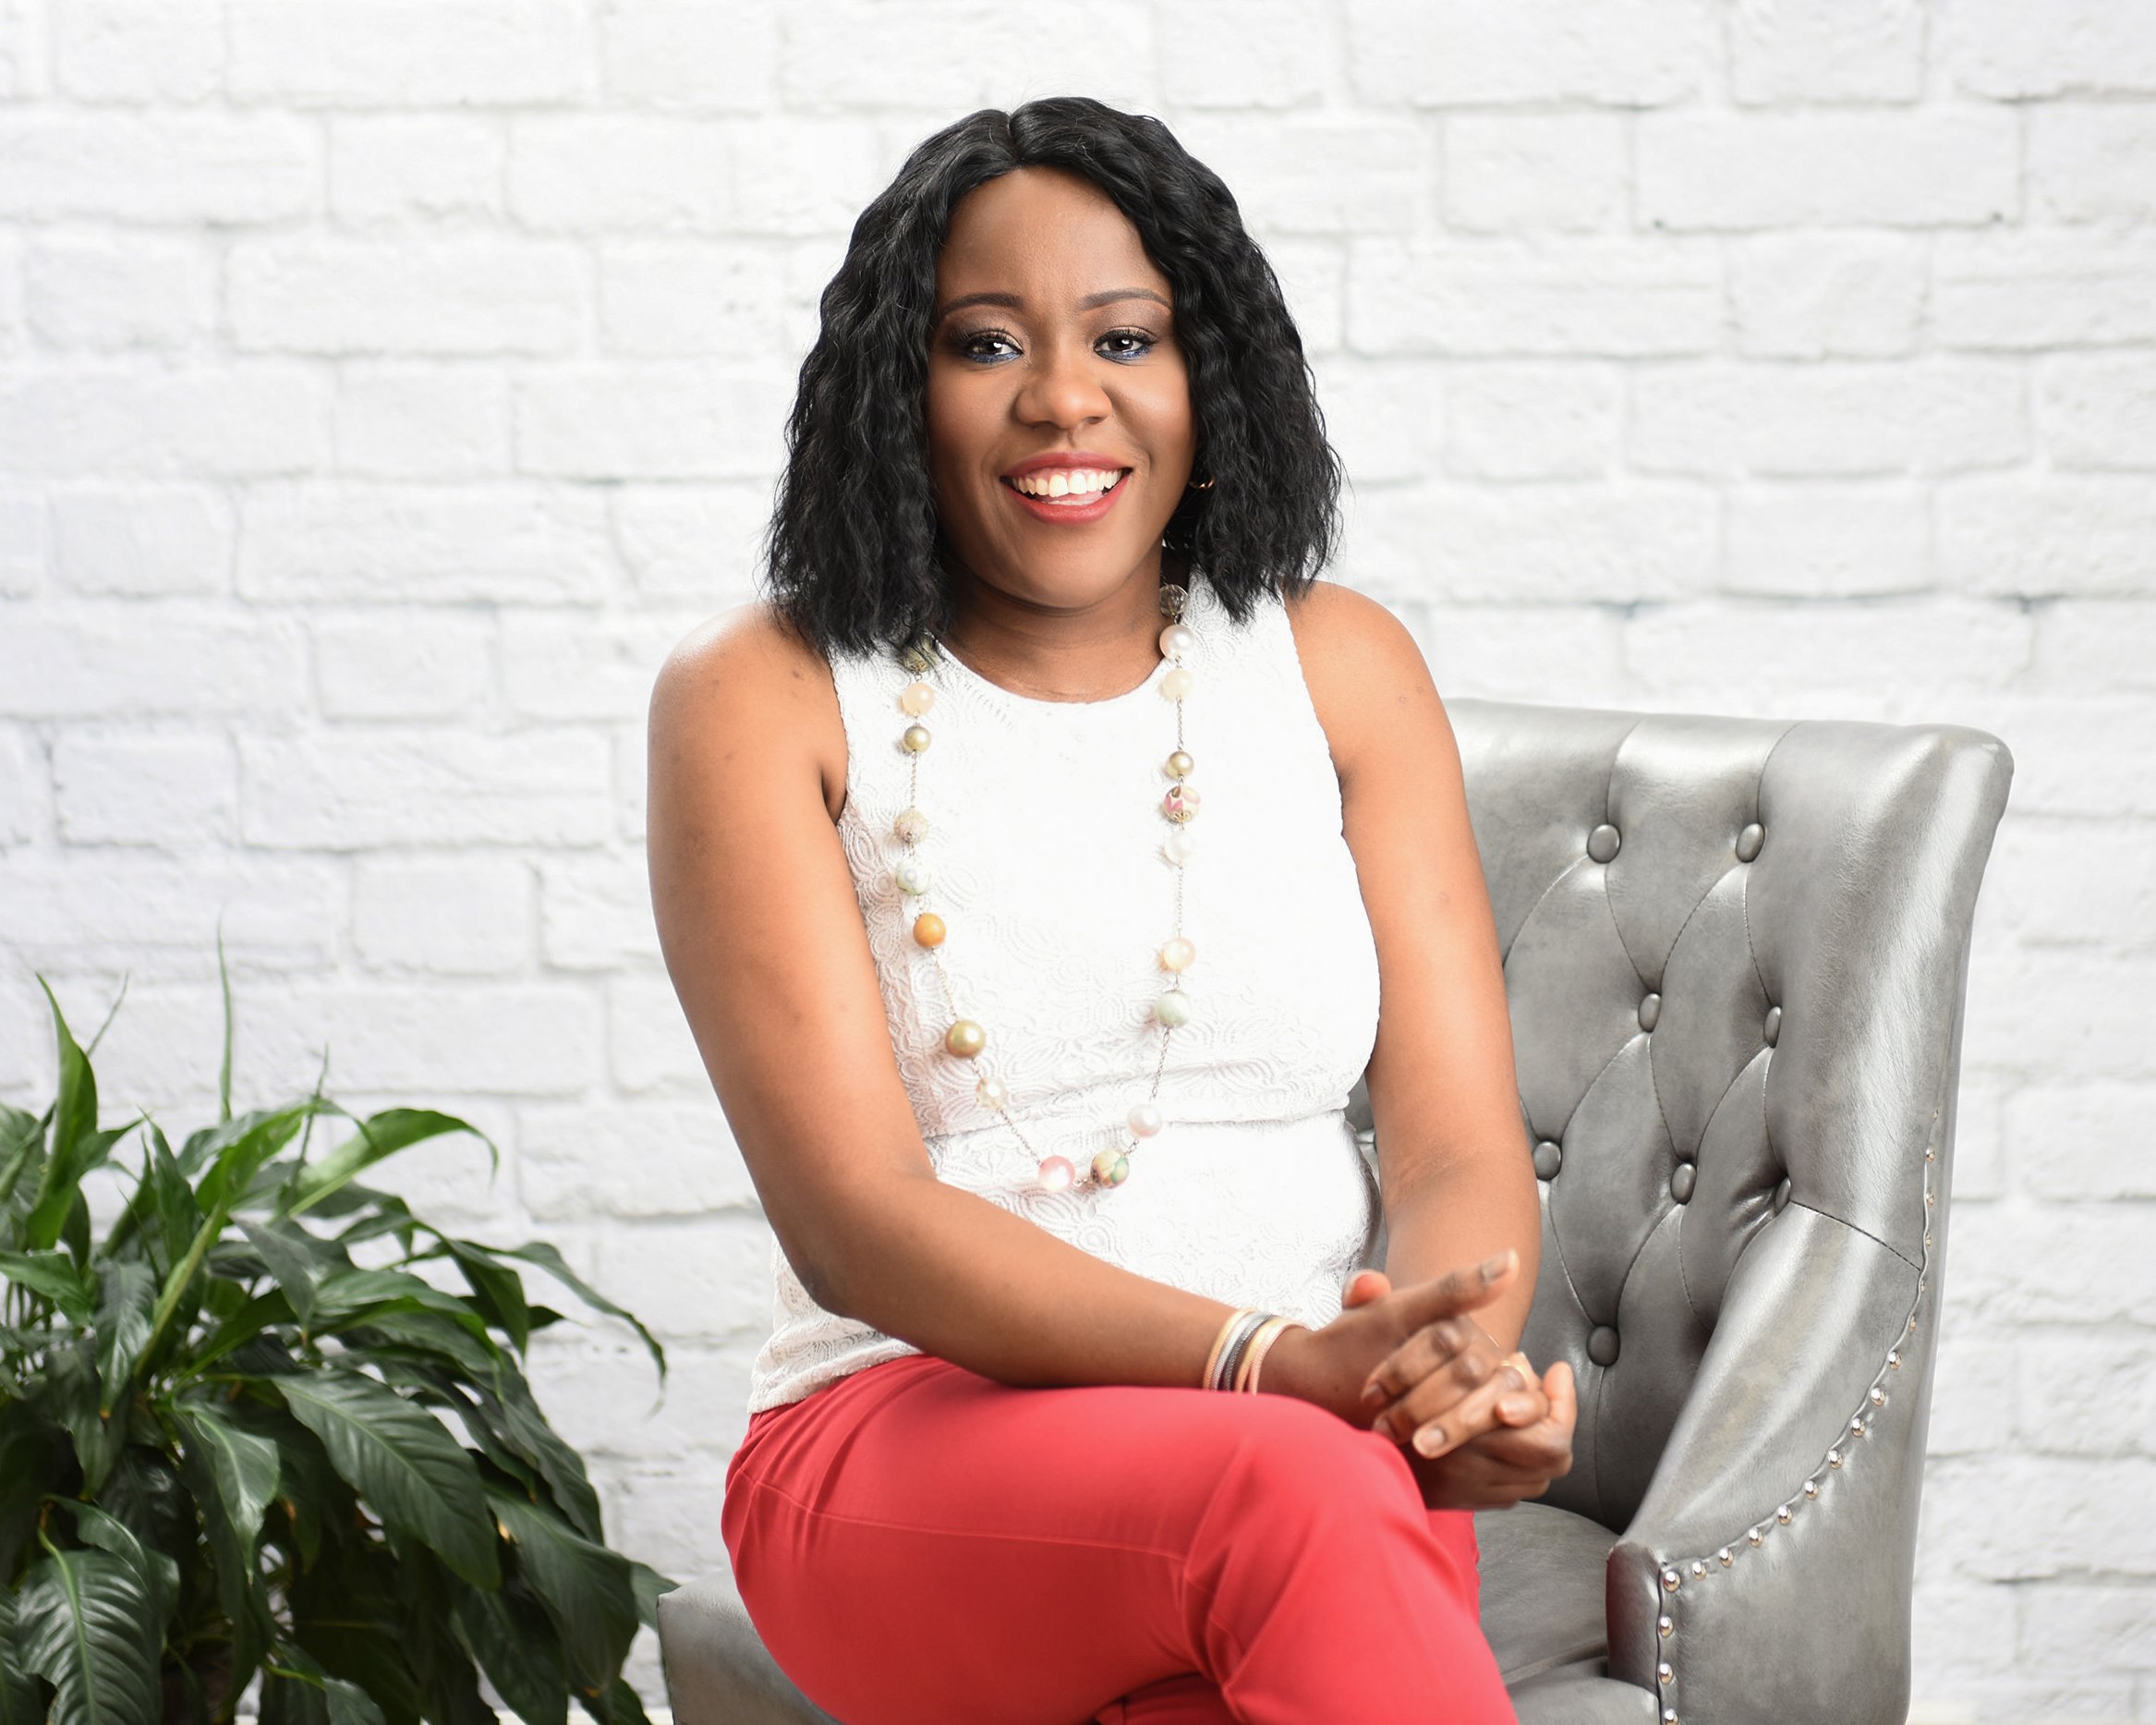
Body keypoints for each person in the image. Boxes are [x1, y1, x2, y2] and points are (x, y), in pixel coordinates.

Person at [647, 96, 1578, 1725]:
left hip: (1318, 1465)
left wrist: (1449, 1372)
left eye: (1126, 336)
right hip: (895, 1443)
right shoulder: (768, 696)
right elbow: (852, 1220)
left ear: (1207, 380)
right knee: (1296, 1492)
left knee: (1289, 1561)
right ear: (895, 392)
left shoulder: (1337, 665)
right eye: (985, 343)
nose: (1064, 398)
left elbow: (1448, 1150)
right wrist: (1273, 1371)